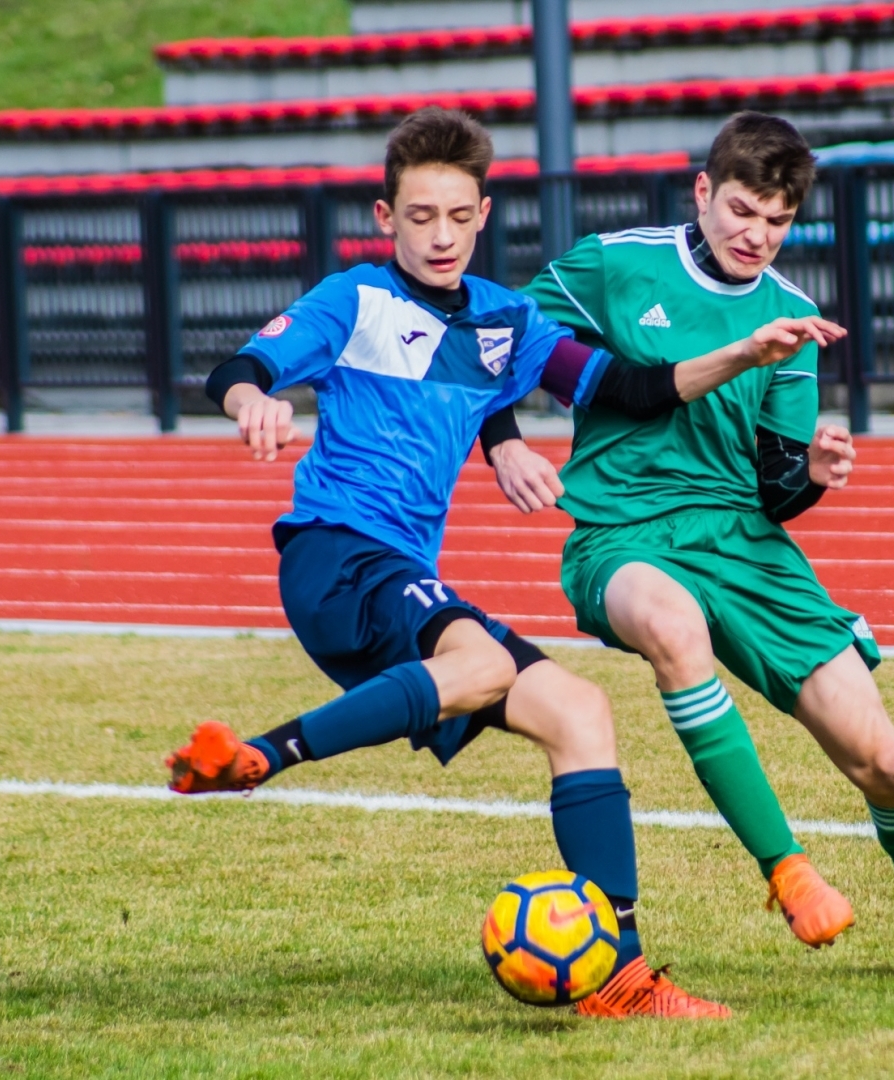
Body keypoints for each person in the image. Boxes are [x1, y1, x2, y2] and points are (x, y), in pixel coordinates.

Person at [164, 106, 841, 1018]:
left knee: (578, 712)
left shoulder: (506, 321)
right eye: (418, 217)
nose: (439, 236)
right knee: (477, 663)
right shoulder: (352, 301)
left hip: (396, 568)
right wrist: (253, 401)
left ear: (484, 216)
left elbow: (630, 390)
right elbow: (239, 366)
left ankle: (622, 977)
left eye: (456, 216)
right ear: (384, 217)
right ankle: (261, 755)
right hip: (335, 556)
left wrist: (744, 350)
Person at [479, 112, 894, 979]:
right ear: (703, 193)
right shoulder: (618, 263)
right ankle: (788, 869)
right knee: (670, 625)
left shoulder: (795, 318)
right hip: (621, 533)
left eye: (777, 221)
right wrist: (502, 437)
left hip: (744, 542)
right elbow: (494, 341)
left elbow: (774, 489)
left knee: (880, 759)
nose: (756, 235)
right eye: (741, 210)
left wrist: (811, 468)